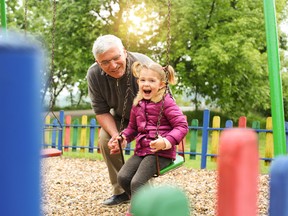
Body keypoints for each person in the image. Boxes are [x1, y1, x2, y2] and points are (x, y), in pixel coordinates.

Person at [108, 61, 189, 214]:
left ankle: (138, 211)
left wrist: (165, 142)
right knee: (123, 178)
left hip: (161, 153)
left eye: (152, 80)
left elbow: (182, 126)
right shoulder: (137, 104)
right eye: (143, 80)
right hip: (143, 150)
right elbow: (132, 128)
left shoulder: (166, 102)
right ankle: (146, 204)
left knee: (137, 182)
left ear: (162, 85)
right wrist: (123, 137)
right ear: (138, 82)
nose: (147, 83)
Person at [86, 34, 153, 206]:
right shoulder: (94, 74)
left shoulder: (144, 65)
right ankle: (122, 190)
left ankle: (144, 192)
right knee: (105, 138)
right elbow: (101, 111)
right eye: (105, 62)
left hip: (150, 116)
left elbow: (163, 102)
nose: (113, 65)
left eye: (116, 58)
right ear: (97, 62)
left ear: (124, 51)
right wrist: (117, 136)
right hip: (121, 118)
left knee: (147, 142)